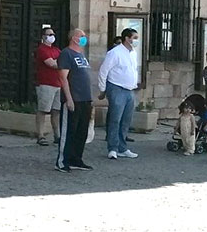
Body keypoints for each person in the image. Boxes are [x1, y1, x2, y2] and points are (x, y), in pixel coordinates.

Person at [54, 28, 93, 173]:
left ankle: (76, 158)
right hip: (73, 98)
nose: (84, 38)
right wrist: (69, 98)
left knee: (81, 131)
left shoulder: (81, 55)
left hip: (85, 98)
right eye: (81, 36)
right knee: (69, 130)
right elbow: (63, 77)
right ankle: (62, 161)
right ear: (73, 38)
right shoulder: (66, 54)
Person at [98, 28, 140, 160]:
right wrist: (103, 89)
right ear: (127, 38)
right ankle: (113, 148)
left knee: (126, 120)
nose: (136, 40)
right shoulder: (114, 53)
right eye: (134, 37)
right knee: (115, 119)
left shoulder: (133, 53)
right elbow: (103, 71)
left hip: (129, 89)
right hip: (116, 87)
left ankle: (122, 147)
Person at [35, 27, 62, 146]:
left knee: (56, 110)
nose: (51, 36)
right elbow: (51, 64)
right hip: (46, 83)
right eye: (49, 34)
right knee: (43, 110)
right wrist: (59, 63)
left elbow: (62, 62)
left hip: (58, 83)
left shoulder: (56, 50)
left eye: (53, 34)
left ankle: (57, 135)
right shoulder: (42, 49)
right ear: (43, 36)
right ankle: (40, 135)